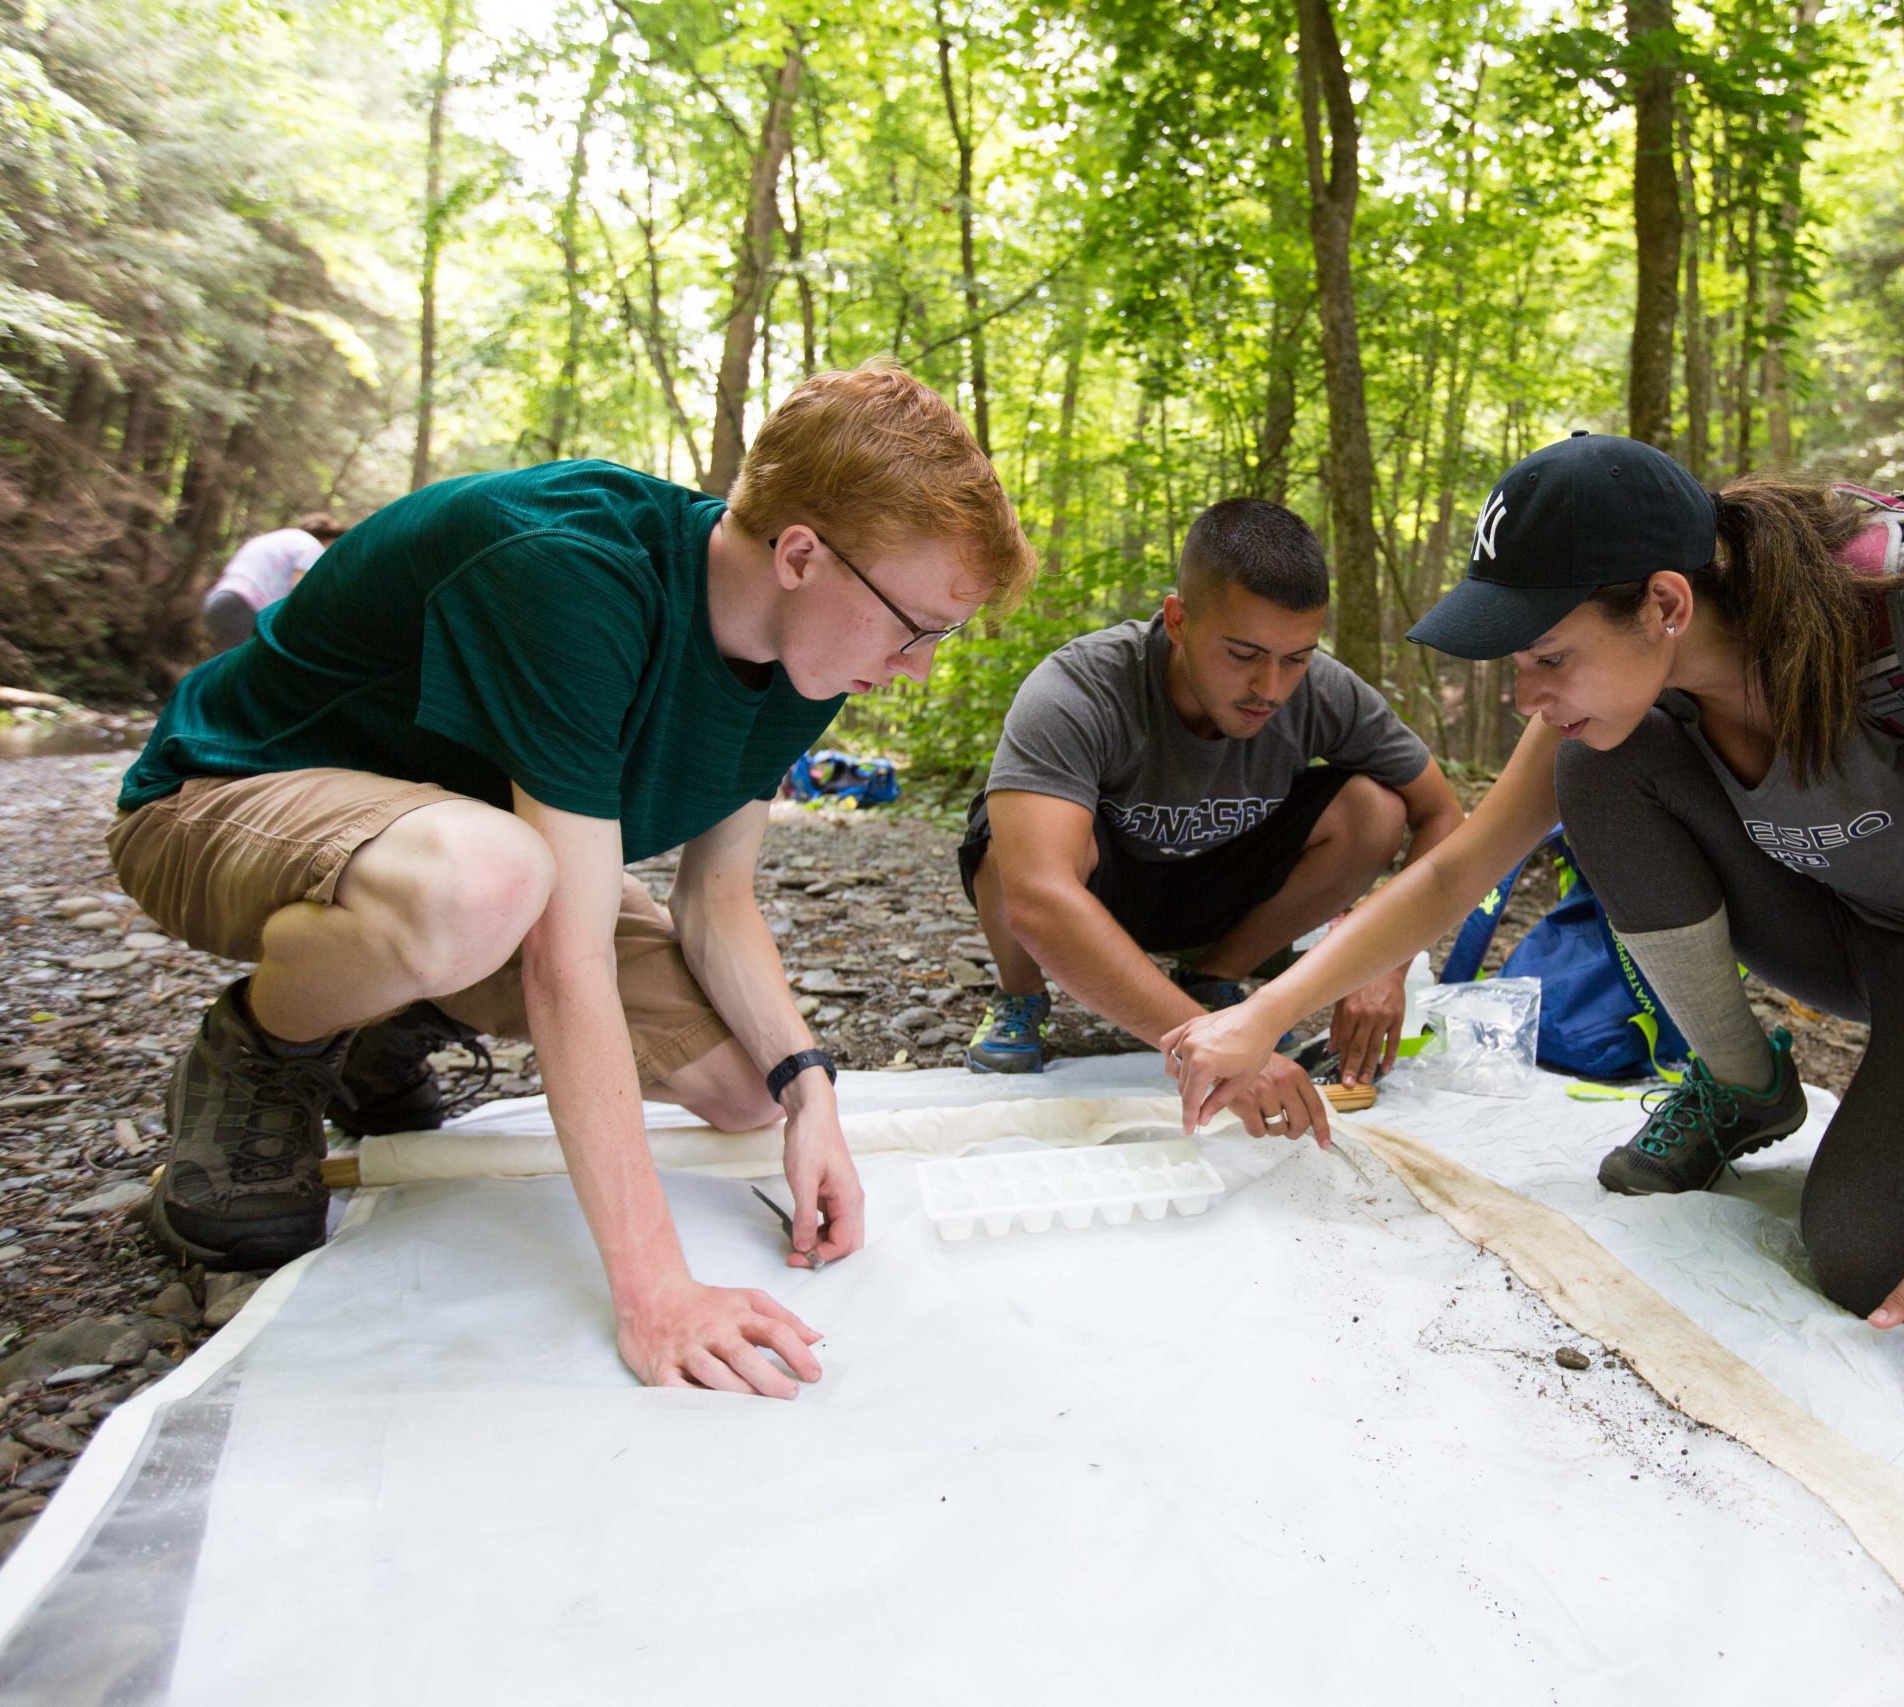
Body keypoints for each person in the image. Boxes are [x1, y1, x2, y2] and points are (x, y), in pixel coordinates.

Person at [1163, 434, 1904, 1451]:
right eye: (1517, 662)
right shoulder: (1631, 686)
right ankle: (1745, 1087)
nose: (1527, 696)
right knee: (1591, 767)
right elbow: (1456, 868)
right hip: (1831, 922)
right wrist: (1262, 1015)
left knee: (1869, 1262)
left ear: (1666, 604)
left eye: (1548, 657)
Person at [108, 361, 1034, 1399]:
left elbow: (715, 901)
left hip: (448, 856)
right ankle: (265, 1048)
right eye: (915, 625)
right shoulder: (573, 570)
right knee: (490, 880)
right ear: (801, 554)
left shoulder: (805, 659)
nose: (917, 665)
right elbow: (566, 956)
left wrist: (810, 1090)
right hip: (219, 798)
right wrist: (657, 1291)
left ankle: (384, 1015)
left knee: (745, 1089)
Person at [959, 497, 1463, 1136]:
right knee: (1011, 841)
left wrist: (1389, 961)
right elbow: (1039, 898)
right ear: (1177, 620)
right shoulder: (1079, 688)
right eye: (1243, 654)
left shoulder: (1326, 692)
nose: (1271, 688)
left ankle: (1215, 976)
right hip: (1096, 895)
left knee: (1375, 809)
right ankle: (1022, 996)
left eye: (1296, 658)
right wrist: (1217, 1046)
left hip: (1219, 894)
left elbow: (1444, 817)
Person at [200, 513, 348, 652]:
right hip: (248, 605)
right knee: (264, 664)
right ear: (330, 540)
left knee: (235, 664)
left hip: (218, 600)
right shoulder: (312, 546)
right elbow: (301, 595)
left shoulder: (279, 538)